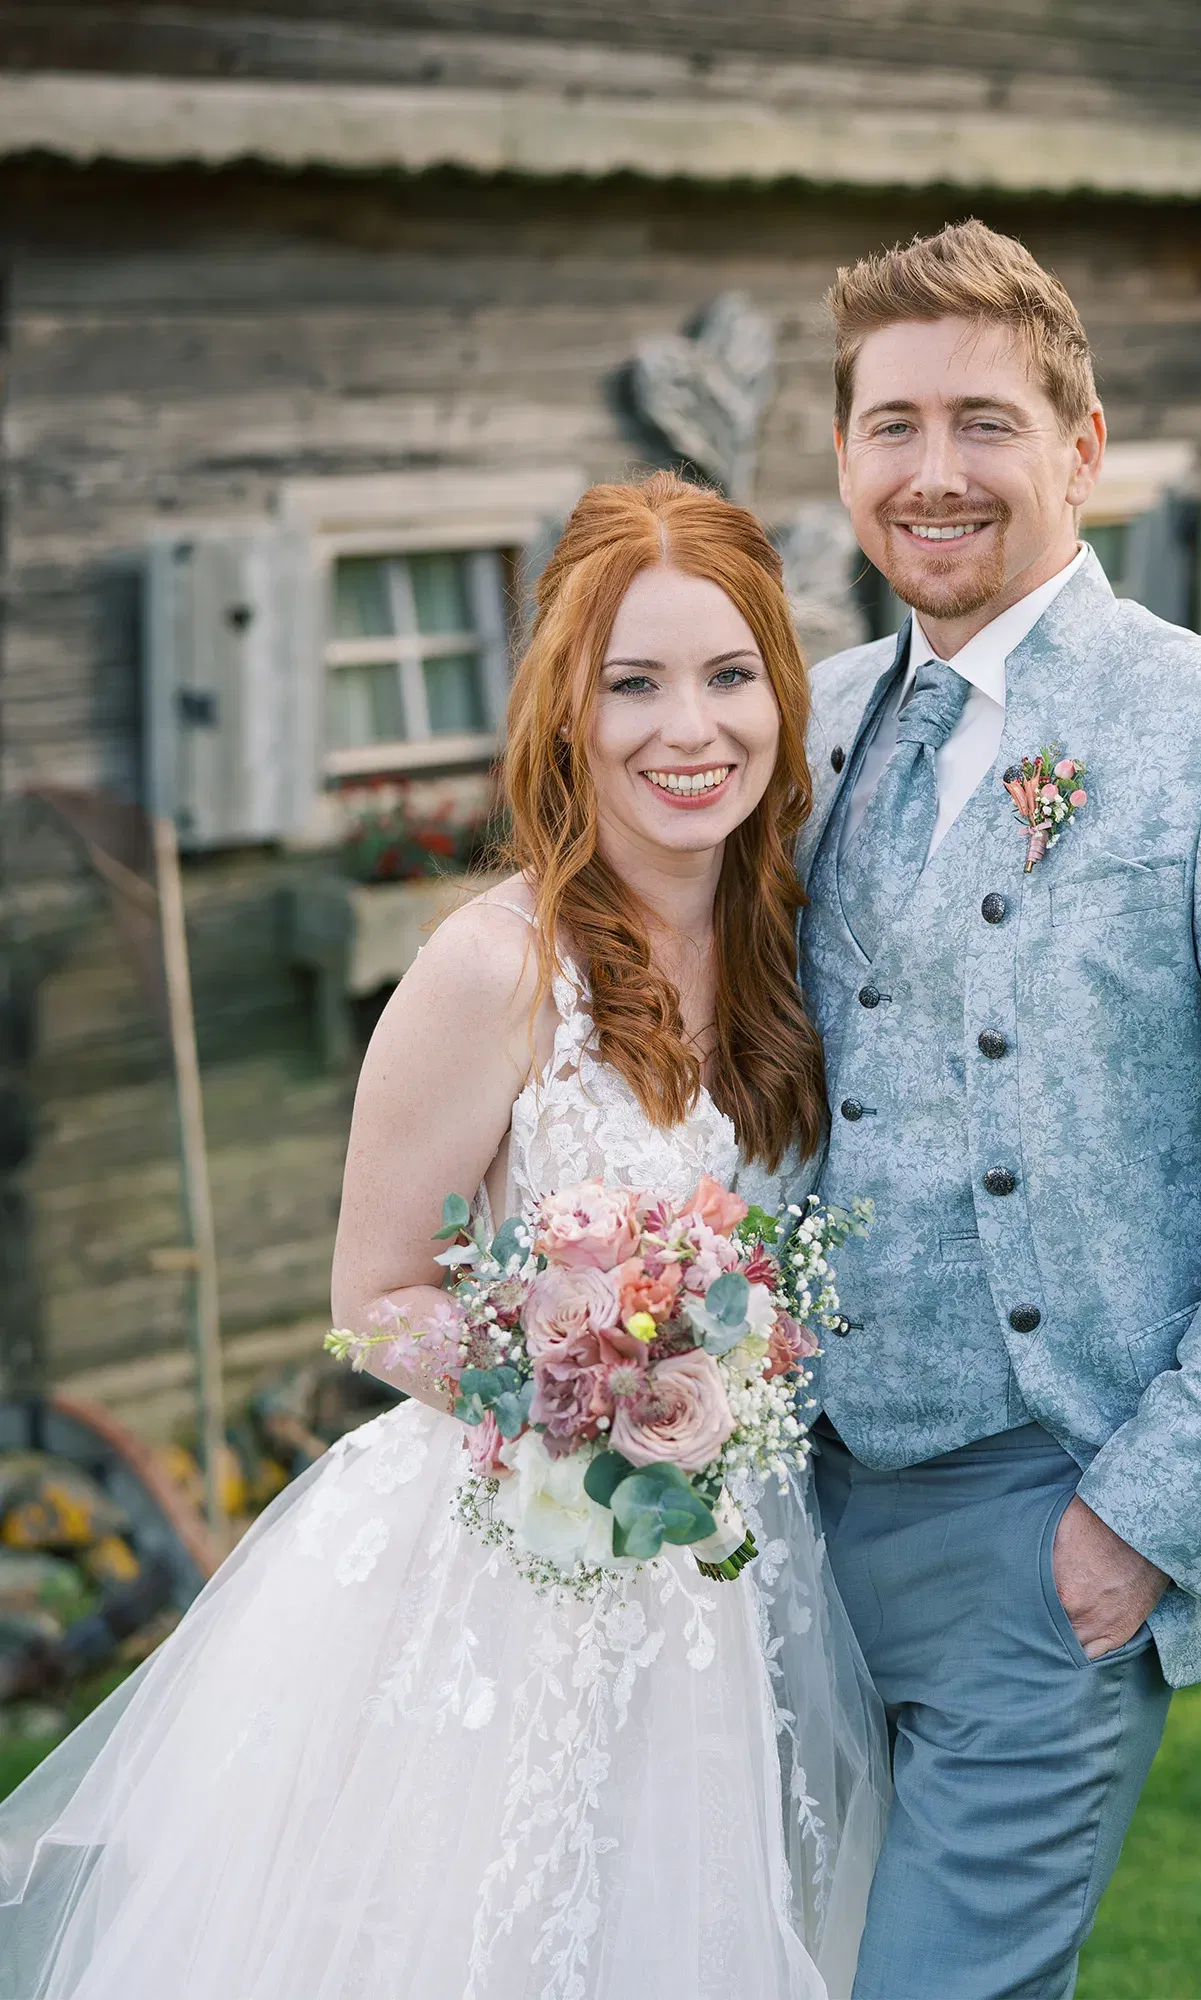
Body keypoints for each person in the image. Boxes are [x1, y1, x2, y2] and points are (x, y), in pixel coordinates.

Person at [0, 473, 887, 2000]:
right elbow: (375, 1295)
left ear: (782, 694)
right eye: (636, 684)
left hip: (725, 1582)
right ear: (566, 712)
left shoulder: (791, 945)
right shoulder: (494, 969)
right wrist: (572, 1396)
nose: (692, 728)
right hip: (506, 1571)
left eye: (730, 674)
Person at [797, 220, 1201, 2000]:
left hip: (1046, 1528)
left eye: (984, 422)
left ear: (1081, 448)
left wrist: (1143, 1517)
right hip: (796, 1529)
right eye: (890, 423)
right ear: (844, 459)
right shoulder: (812, 721)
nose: (934, 472)